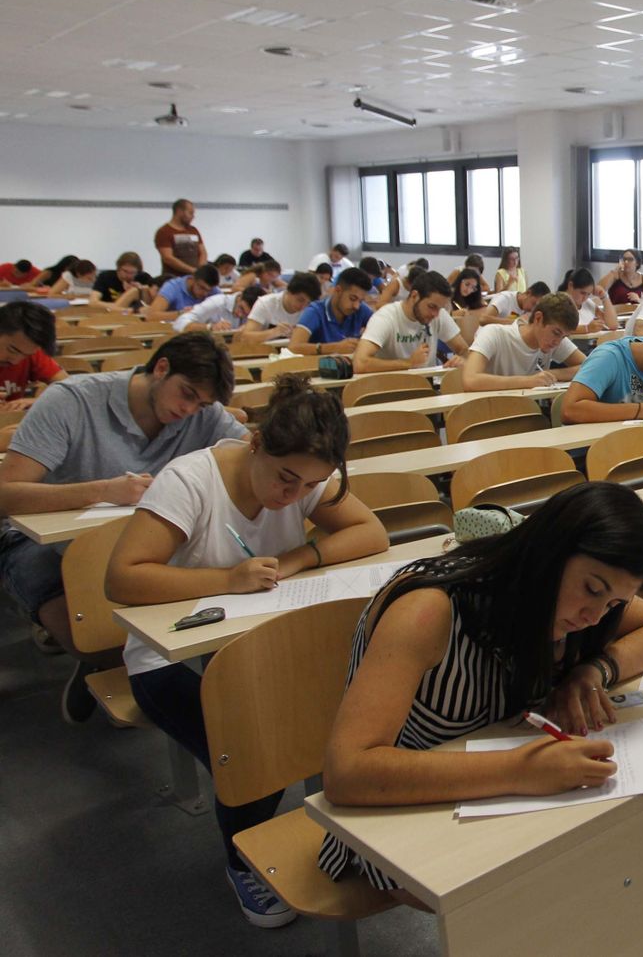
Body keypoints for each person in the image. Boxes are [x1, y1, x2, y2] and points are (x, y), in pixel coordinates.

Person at [107, 375, 386, 929]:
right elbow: (123, 578)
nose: (293, 495)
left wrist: (299, 558)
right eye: (286, 478)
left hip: (254, 642)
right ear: (255, 443)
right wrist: (223, 580)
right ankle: (243, 861)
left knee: (319, 727)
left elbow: (370, 533)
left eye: (310, 484)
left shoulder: (302, 473)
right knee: (257, 754)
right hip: (169, 657)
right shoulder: (190, 481)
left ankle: (319, 838)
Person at [317, 482, 643, 898]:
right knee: (567, 893)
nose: (594, 617)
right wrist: (520, 771)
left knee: (625, 862)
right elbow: (346, 773)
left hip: (508, 800)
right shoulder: (428, 611)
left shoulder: (591, 595)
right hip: (404, 814)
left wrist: (593, 672)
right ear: (548, 554)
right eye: (593, 591)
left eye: (614, 604)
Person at [0, 333, 246, 716]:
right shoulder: (72, 400)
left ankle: (123, 664)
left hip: (141, 543)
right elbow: (6, 494)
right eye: (186, 394)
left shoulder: (201, 412)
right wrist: (104, 490)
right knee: (86, 629)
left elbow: (252, 456)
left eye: (202, 403)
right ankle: (101, 661)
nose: (190, 410)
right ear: (160, 368)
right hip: (43, 542)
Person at [462, 294, 586, 392]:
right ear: (538, 318)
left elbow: (589, 366)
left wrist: (552, 374)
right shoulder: (494, 334)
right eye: (556, 333)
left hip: (529, 415)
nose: (558, 342)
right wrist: (528, 381)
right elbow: (470, 380)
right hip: (490, 413)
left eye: (564, 337)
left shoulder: (554, 340)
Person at [354, 270, 469, 374]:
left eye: (440, 308)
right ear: (414, 296)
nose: (436, 314)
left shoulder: (439, 315)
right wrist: (408, 363)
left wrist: (462, 360)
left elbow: (463, 349)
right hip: (389, 388)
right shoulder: (386, 317)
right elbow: (360, 363)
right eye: (431, 306)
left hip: (427, 387)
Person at [290, 268, 374, 356]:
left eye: (361, 301)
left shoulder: (361, 309)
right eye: (353, 299)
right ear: (338, 290)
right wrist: (335, 348)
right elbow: (293, 347)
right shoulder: (315, 312)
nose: (356, 306)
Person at [0, 301, 66, 408]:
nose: (15, 361)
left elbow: (69, 388)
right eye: (12, 350)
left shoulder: (31, 350)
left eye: (26, 355)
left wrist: (38, 401)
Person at [237, 272, 320, 343]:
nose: (303, 306)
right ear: (288, 291)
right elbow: (245, 337)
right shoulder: (265, 303)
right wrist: (275, 332)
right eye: (300, 300)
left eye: (308, 303)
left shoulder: (312, 309)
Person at [174, 284, 266, 333]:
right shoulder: (216, 302)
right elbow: (179, 323)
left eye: (247, 315)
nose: (240, 315)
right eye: (241, 308)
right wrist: (210, 327)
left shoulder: (261, 309)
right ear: (239, 296)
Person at [147, 263, 221, 322]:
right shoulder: (172, 287)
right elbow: (151, 316)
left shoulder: (214, 290)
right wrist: (181, 314)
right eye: (202, 288)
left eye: (209, 290)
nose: (205, 293)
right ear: (192, 279)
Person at [155, 198, 207, 277]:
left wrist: (201, 269)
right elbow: (168, 258)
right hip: (174, 278)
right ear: (179, 212)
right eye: (190, 213)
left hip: (194, 278)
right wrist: (192, 270)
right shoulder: (164, 231)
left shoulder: (193, 230)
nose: (193, 216)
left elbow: (203, 252)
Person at [559, 268, 619, 333]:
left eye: (588, 294)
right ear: (570, 285)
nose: (585, 298)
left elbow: (612, 325)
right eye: (582, 293)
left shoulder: (587, 303)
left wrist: (604, 297)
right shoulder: (559, 303)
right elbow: (561, 327)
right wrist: (587, 328)